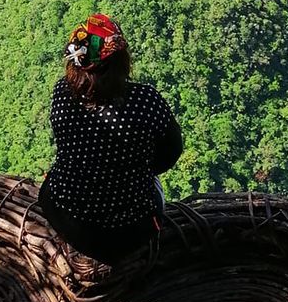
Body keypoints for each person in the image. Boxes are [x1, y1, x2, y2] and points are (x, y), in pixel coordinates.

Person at [37, 13, 183, 263]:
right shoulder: (145, 100)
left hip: (70, 219)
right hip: (130, 232)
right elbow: (171, 152)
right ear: (120, 62)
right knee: (154, 183)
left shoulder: (63, 92)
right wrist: (135, 167)